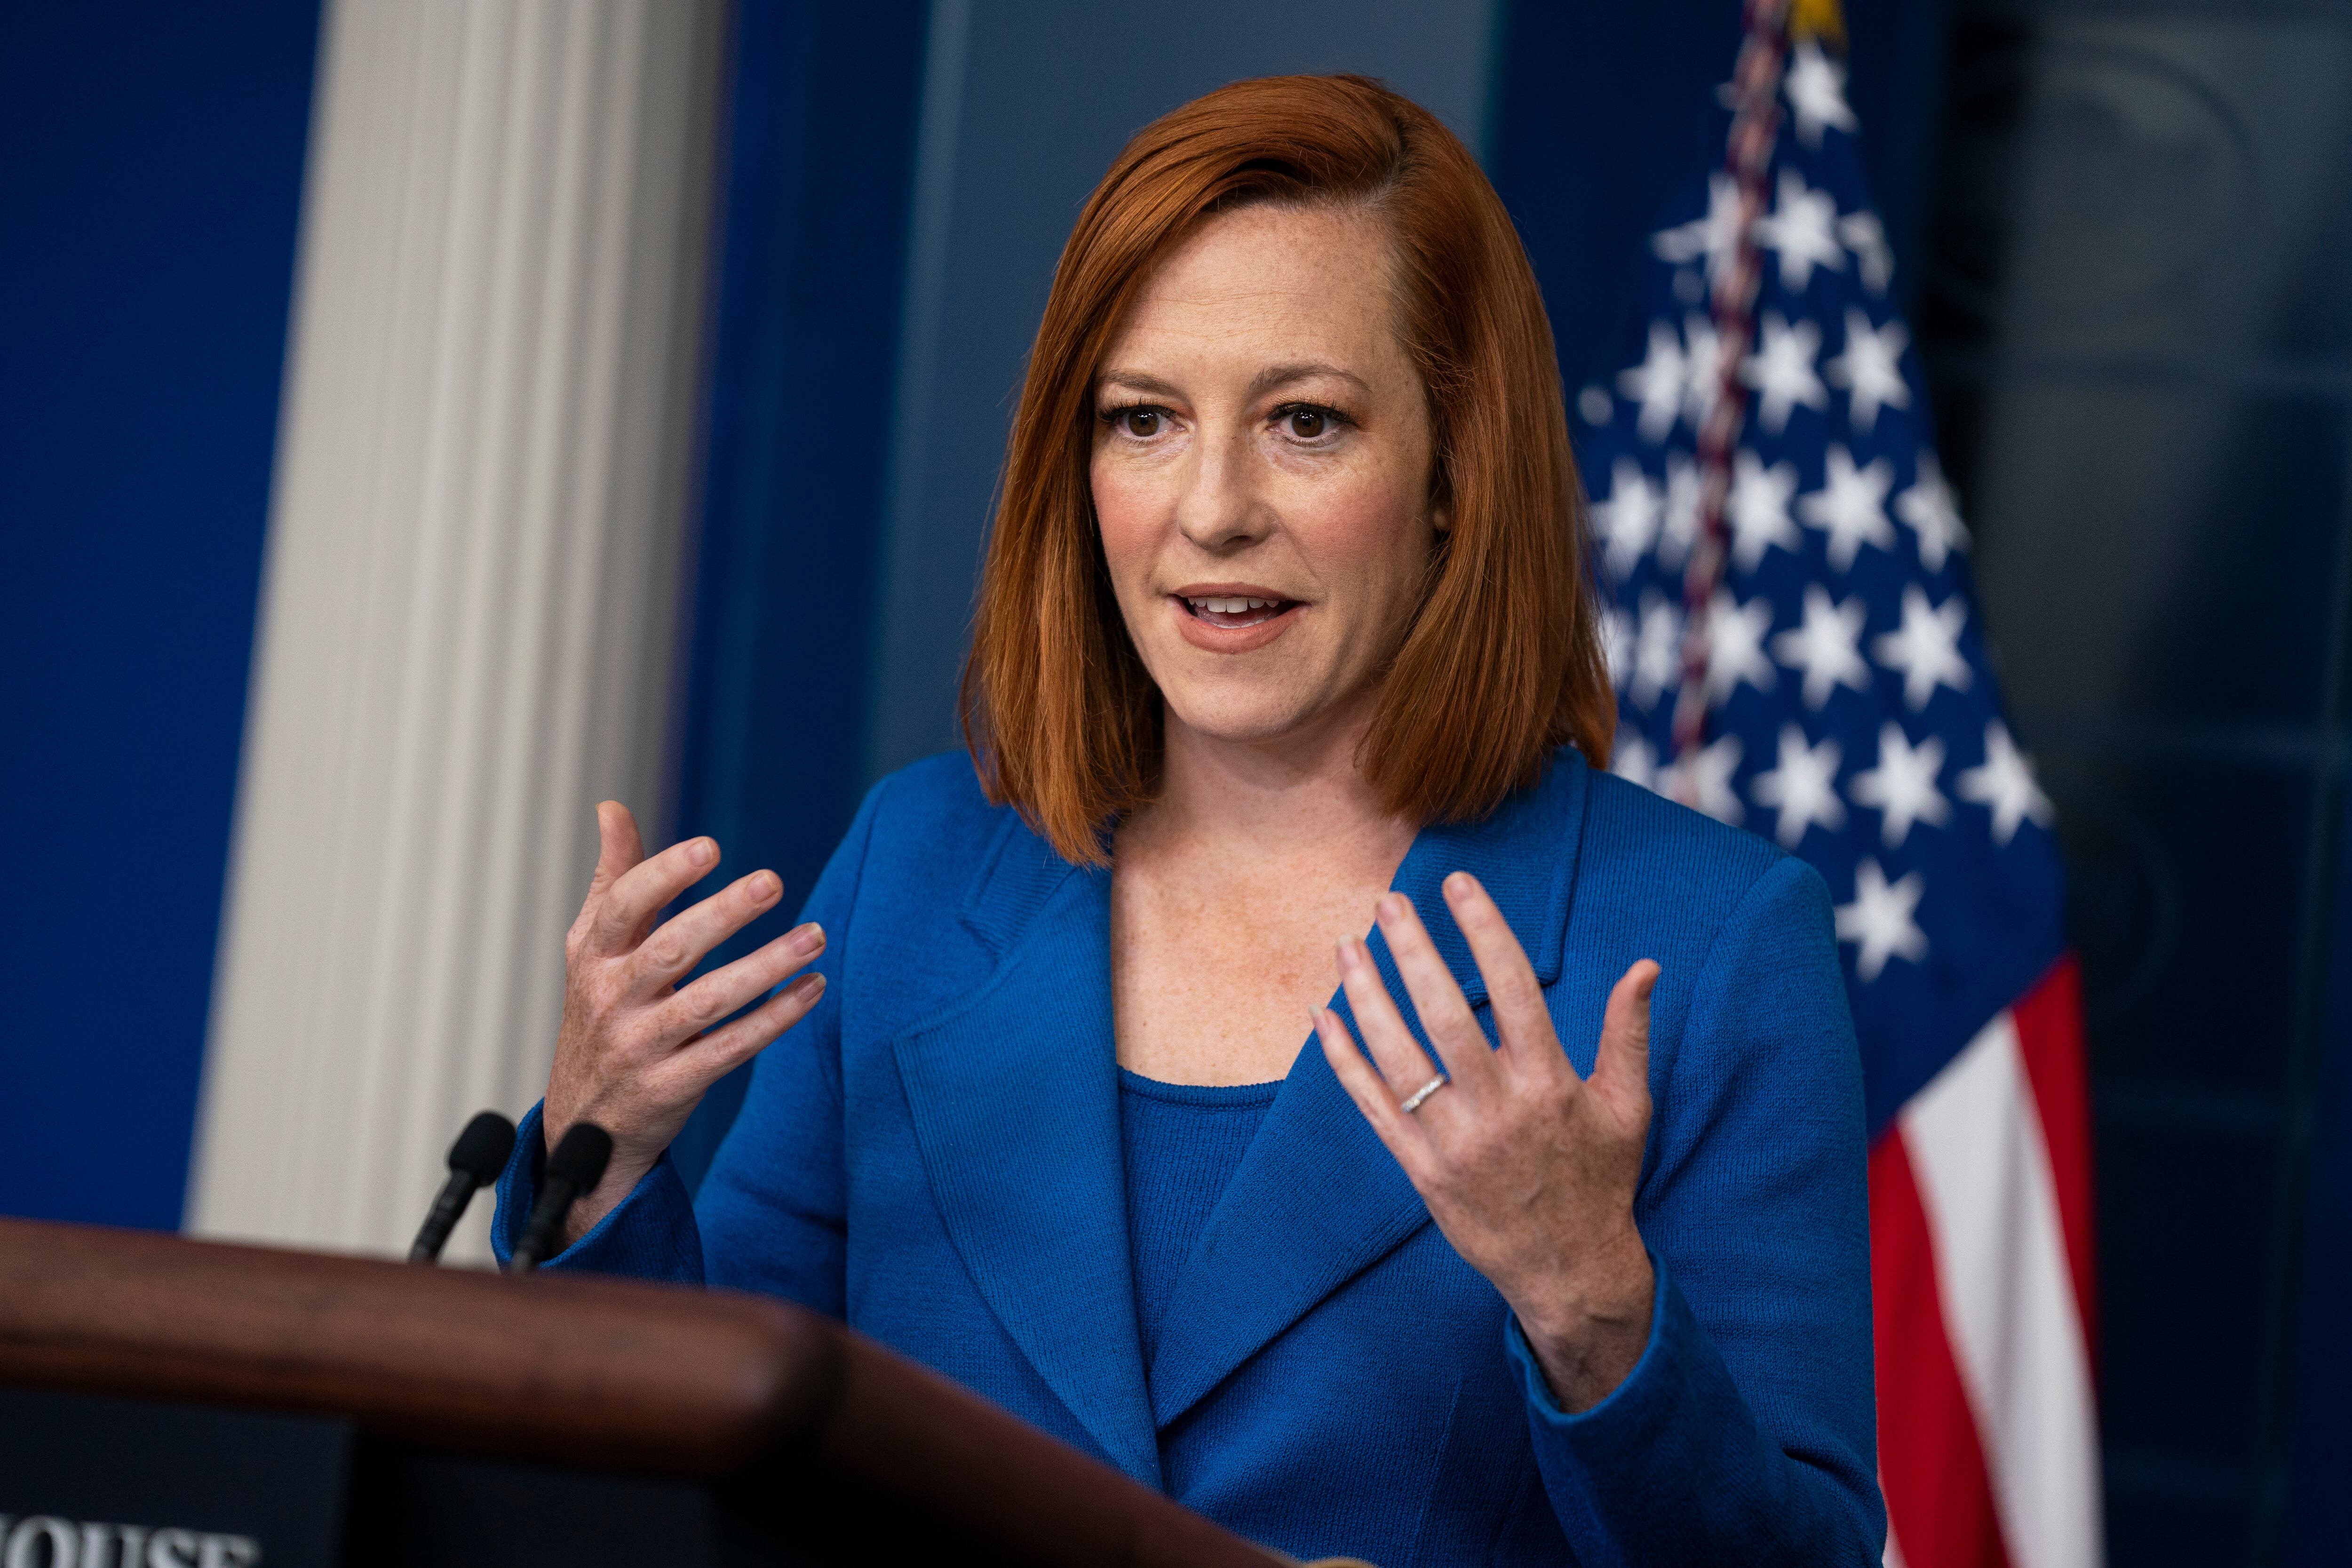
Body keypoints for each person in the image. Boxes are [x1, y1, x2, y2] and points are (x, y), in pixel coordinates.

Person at [495, 73, 1883, 1566]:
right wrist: (600, 1164)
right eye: (1145, 420)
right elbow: (720, 1476)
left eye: (1304, 422)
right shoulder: (918, 868)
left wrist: (1592, 1306)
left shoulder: (1709, 944)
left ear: (1454, 479)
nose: (1212, 509)